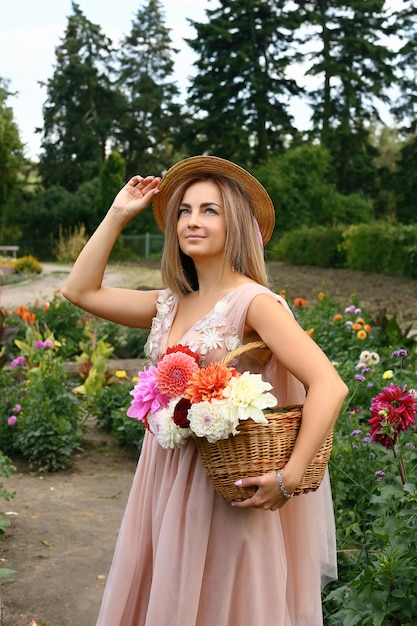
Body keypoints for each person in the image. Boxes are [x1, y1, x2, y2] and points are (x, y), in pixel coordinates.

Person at [63, 155, 348, 626]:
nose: (192, 221)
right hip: (162, 479)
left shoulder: (254, 303)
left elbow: (329, 385)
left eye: (209, 210)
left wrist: (289, 478)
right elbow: (80, 290)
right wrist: (117, 214)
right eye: (183, 211)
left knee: (222, 603)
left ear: (234, 222)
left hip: (223, 488)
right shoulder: (168, 302)